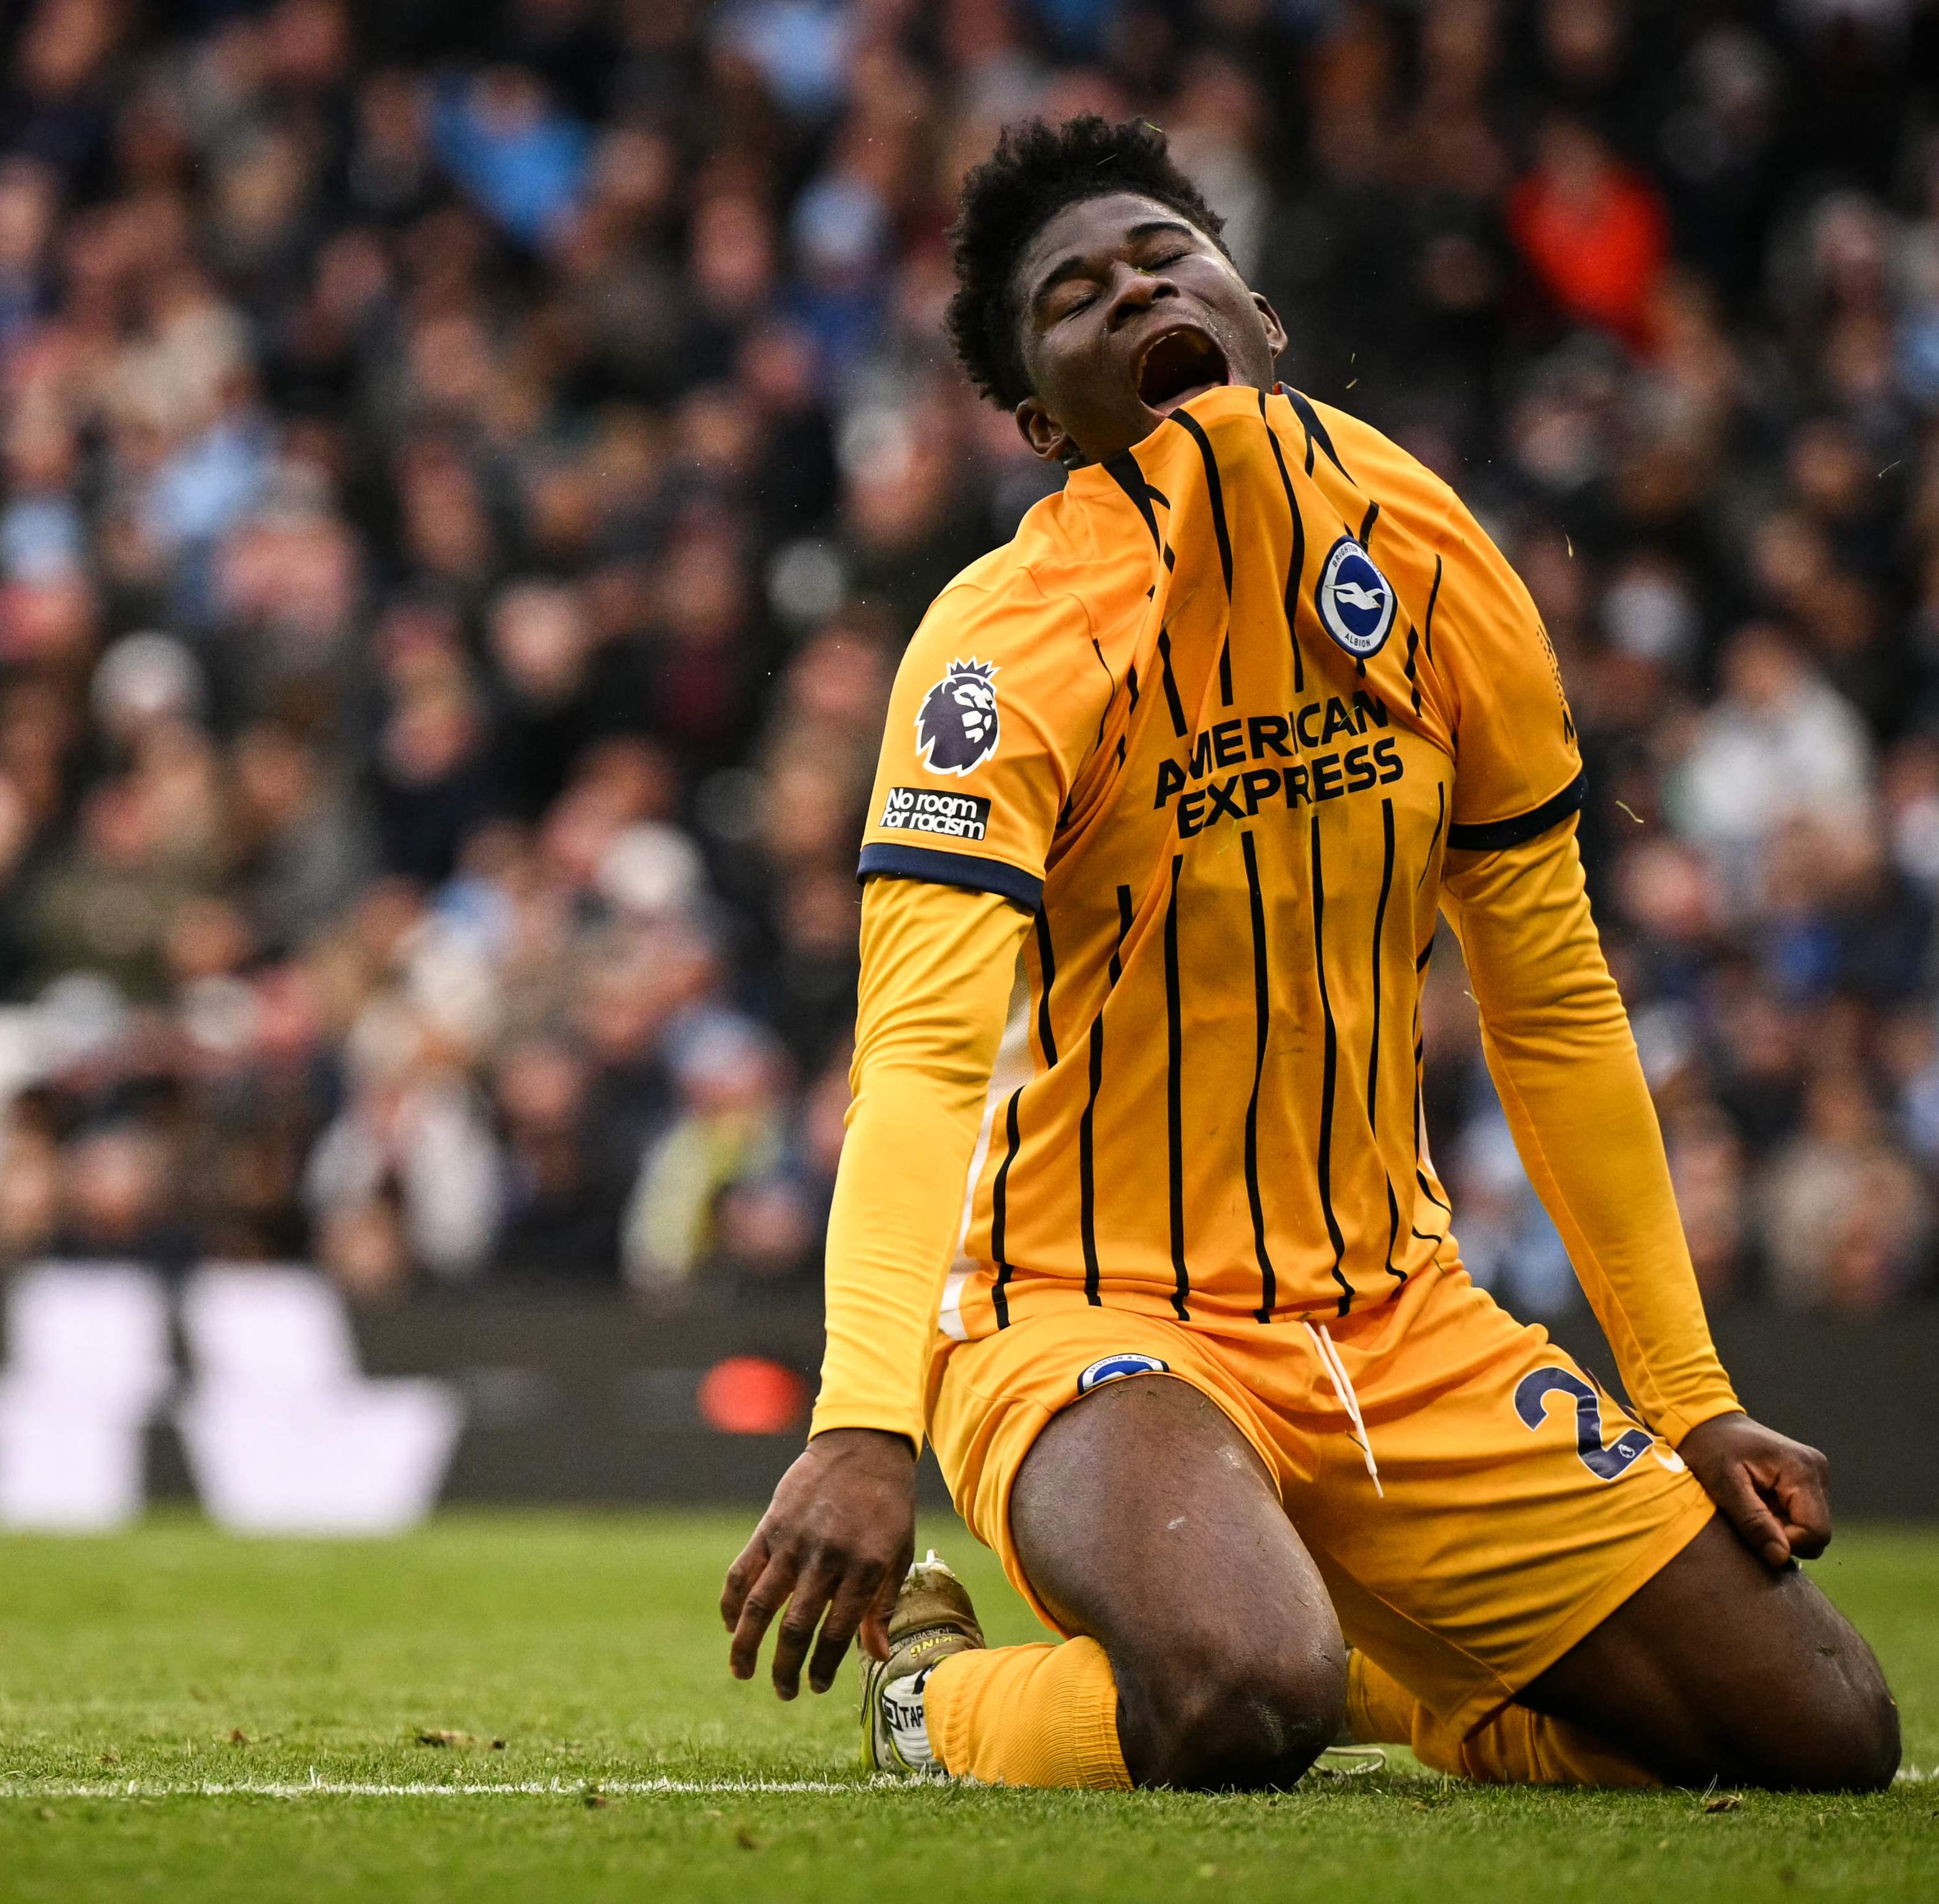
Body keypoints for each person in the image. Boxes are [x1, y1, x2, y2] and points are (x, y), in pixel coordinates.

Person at [720, 116, 1901, 1794]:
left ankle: (1386, 1675)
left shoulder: (1427, 553)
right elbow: (913, 1060)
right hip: (1081, 1314)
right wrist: (859, 1416)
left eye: (1161, 257)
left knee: (1818, 1734)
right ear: (1040, 414)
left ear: (1249, 302)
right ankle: (936, 1698)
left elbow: (1549, 999)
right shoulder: (1002, 644)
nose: (1135, 291)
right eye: (1075, 297)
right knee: (1229, 1700)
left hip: (1397, 1314)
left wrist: (1687, 1394)